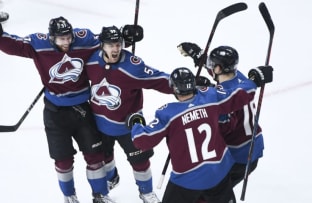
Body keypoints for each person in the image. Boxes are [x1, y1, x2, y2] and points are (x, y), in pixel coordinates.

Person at [0, 14, 140, 203]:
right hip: (54, 113)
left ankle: (101, 196)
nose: (67, 42)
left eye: (69, 37)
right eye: (62, 39)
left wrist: (126, 36)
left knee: (95, 156)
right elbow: (15, 45)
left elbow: (107, 43)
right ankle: (70, 197)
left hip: (82, 110)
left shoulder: (84, 40)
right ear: (51, 37)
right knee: (63, 161)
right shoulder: (39, 44)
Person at [126, 66, 272, 203]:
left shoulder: (168, 114)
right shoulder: (210, 97)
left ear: (174, 89)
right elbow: (238, 96)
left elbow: (142, 141)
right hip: (218, 173)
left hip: (187, 179)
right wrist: (254, 80)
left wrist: (136, 123)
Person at [85, 25, 173, 203]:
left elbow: (158, 79)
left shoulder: (132, 67)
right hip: (99, 124)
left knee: (140, 161)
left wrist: (184, 84)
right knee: (104, 157)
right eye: (110, 45)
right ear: (102, 45)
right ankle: (111, 179)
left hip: (128, 125)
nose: (115, 49)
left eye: (118, 44)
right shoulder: (90, 61)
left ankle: (146, 192)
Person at [178, 42, 272, 201]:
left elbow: (225, 127)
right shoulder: (239, 79)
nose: (210, 67)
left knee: (207, 194)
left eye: (212, 65)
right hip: (253, 147)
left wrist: (202, 94)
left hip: (238, 156)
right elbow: (220, 74)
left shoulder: (223, 96)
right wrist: (199, 56)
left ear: (219, 69)